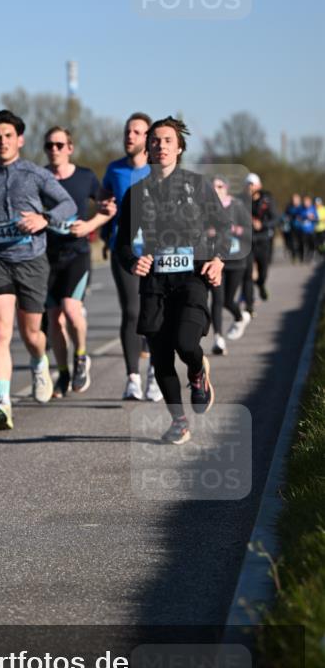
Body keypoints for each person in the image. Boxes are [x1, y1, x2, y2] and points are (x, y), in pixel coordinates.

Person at [115, 117, 228, 445]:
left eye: (168, 140)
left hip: (192, 277)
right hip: (154, 282)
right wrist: (134, 261)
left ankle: (197, 371)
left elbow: (222, 227)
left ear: (179, 148)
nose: (161, 146)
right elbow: (121, 242)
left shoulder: (197, 185)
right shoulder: (137, 193)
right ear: (147, 148)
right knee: (161, 356)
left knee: (186, 342)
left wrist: (219, 260)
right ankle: (179, 421)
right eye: (155, 141)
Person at [0, 109, 76, 429]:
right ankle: (2, 402)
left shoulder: (36, 174)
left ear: (20, 140)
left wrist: (45, 219)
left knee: (32, 335)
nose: (2, 142)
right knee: (0, 331)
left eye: (8, 136)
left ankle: (40, 363)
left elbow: (69, 205)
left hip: (32, 261)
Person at [99, 113, 162, 402]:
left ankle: (154, 375)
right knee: (132, 311)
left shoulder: (158, 171)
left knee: (155, 312)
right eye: (127, 131)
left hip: (157, 252)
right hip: (123, 250)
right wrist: (105, 230)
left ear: (148, 138)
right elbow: (104, 203)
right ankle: (132, 378)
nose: (130, 136)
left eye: (137, 132)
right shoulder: (114, 170)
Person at [43, 126, 104, 396]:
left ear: (70, 148)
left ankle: (80, 357)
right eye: (49, 146)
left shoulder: (85, 177)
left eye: (59, 145)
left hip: (77, 254)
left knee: (71, 309)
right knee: (54, 320)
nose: (54, 150)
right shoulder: (40, 177)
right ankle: (63, 373)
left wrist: (89, 225)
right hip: (47, 257)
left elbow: (108, 208)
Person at [208, 176, 252, 354]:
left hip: (236, 261)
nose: (216, 189)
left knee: (228, 300)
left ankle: (241, 316)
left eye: (219, 186)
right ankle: (218, 339)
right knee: (217, 300)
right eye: (212, 187)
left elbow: (249, 232)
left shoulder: (237, 206)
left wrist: (234, 230)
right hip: (215, 260)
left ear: (226, 188)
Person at [242, 173, 276, 311]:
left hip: (263, 240)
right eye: (248, 184)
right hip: (248, 241)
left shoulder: (267, 199)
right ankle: (249, 306)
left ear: (259, 185)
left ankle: (261, 285)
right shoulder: (241, 200)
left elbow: (275, 218)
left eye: (253, 184)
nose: (250, 187)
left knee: (263, 273)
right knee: (248, 273)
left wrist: (262, 224)